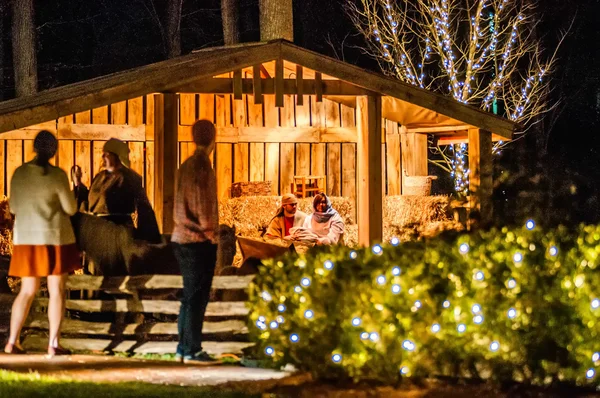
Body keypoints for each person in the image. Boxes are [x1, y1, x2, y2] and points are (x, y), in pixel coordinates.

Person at [5, 130, 80, 357]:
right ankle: (53, 344)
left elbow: (14, 208)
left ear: (34, 148)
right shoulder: (57, 175)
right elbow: (71, 209)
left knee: (27, 291)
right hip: (55, 238)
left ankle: (12, 341)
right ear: (53, 150)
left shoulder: (19, 173)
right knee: (56, 290)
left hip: (26, 239)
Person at [172, 119, 219, 364]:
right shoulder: (202, 165)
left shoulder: (186, 164)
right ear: (213, 138)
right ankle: (192, 348)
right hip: (197, 240)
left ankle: (183, 346)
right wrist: (213, 235)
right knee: (197, 297)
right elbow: (203, 206)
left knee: (189, 296)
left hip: (180, 237)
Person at [78, 138, 161, 275]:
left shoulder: (130, 178)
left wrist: (147, 237)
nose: (103, 157)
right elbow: (89, 202)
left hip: (117, 234)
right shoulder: (99, 177)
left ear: (117, 156)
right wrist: (79, 187)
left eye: (107, 154)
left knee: (114, 274)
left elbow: (143, 206)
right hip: (96, 234)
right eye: (103, 154)